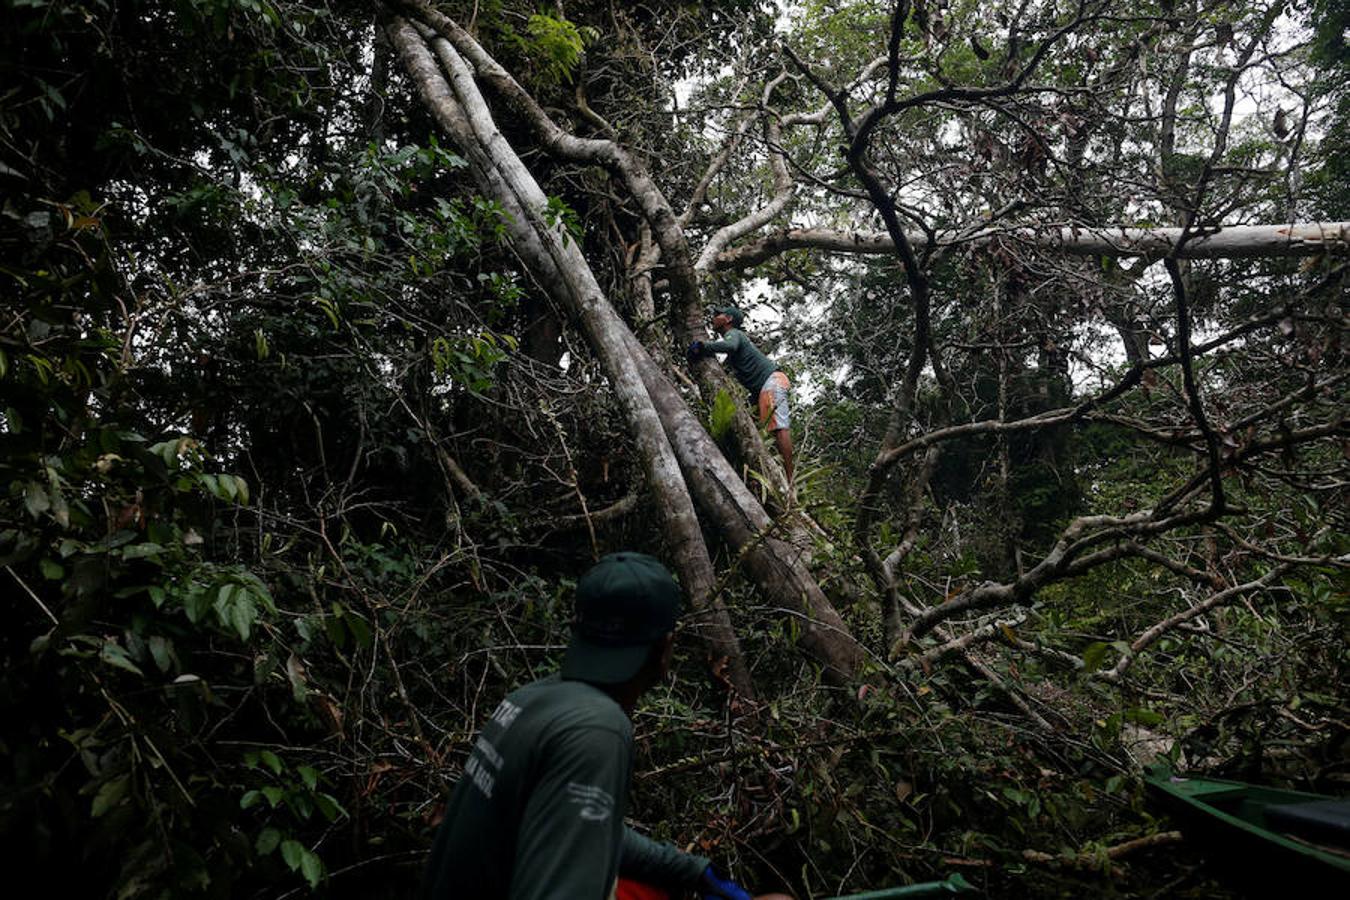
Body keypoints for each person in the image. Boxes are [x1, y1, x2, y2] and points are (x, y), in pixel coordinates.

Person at [420, 552, 757, 900]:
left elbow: (573, 827)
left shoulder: (533, 698)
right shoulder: (597, 730)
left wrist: (691, 870)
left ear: (576, 628)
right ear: (665, 647)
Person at [687, 306, 794, 484]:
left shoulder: (734, 334)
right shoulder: (734, 350)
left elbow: (729, 345)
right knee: (763, 430)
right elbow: (724, 371)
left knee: (779, 427)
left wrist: (702, 346)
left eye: (717, 314)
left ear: (728, 319)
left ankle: (791, 480)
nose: (713, 317)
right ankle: (776, 473)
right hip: (763, 388)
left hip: (771, 382)